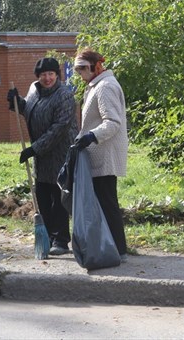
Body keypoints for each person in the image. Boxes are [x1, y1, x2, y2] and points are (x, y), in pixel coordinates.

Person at [7, 57, 79, 255]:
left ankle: (61, 241)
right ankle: (46, 236)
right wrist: (17, 102)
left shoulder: (64, 95)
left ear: (57, 75)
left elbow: (59, 129)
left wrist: (33, 149)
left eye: (51, 74)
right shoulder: (34, 90)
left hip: (61, 153)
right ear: (37, 76)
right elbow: (31, 110)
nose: (47, 78)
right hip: (42, 155)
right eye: (43, 74)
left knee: (59, 198)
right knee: (43, 197)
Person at [73, 48, 129, 262]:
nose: (81, 74)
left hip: (105, 154)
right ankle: (112, 247)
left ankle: (119, 250)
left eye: (84, 69)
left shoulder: (105, 86)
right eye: (78, 70)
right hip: (97, 152)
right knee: (103, 202)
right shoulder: (96, 85)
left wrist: (91, 136)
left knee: (107, 202)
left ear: (97, 66)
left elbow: (113, 122)